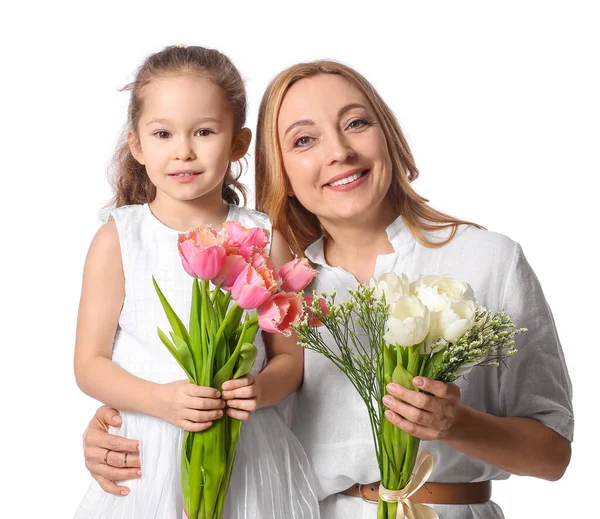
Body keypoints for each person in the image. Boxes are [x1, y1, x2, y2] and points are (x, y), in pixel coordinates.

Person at [83, 59, 573, 519]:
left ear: (390, 136)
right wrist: (119, 428)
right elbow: (238, 405)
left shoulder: (488, 260)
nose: (339, 151)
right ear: (281, 171)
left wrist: (456, 423)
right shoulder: (280, 281)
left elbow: (553, 456)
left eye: (357, 123)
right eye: (303, 141)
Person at [73, 45, 319, 519]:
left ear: (238, 143)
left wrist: (260, 390)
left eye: (204, 132)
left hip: (248, 451)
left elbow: (289, 358)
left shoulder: (265, 238)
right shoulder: (119, 240)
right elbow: (90, 363)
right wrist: (160, 400)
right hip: (150, 447)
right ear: (138, 145)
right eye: (163, 133)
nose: (183, 150)